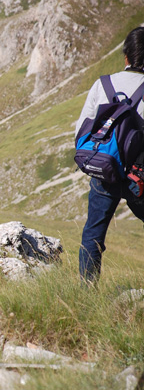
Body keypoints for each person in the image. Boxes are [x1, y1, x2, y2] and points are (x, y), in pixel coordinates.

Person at [76, 26, 144, 283]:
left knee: (92, 235)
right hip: (139, 177)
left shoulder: (102, 84)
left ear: (126, 56)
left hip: (105, 170)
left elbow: (81, 128)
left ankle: (86, 297)